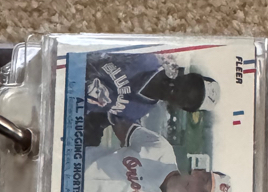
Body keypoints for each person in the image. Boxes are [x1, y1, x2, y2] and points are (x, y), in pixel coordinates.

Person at [82, 120, 231, 192]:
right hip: (78, 159)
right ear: (198, 172)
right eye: (204, 180)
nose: (196, 187)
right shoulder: (162, 149)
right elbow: (119, 121)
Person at [85, 51, 220, 144]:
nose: (182, 93)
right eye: (189, 86)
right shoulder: (144, 59)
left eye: (188, 100)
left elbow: (98, 120)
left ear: (182, 107)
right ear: (186, 76)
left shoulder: (138, 111)